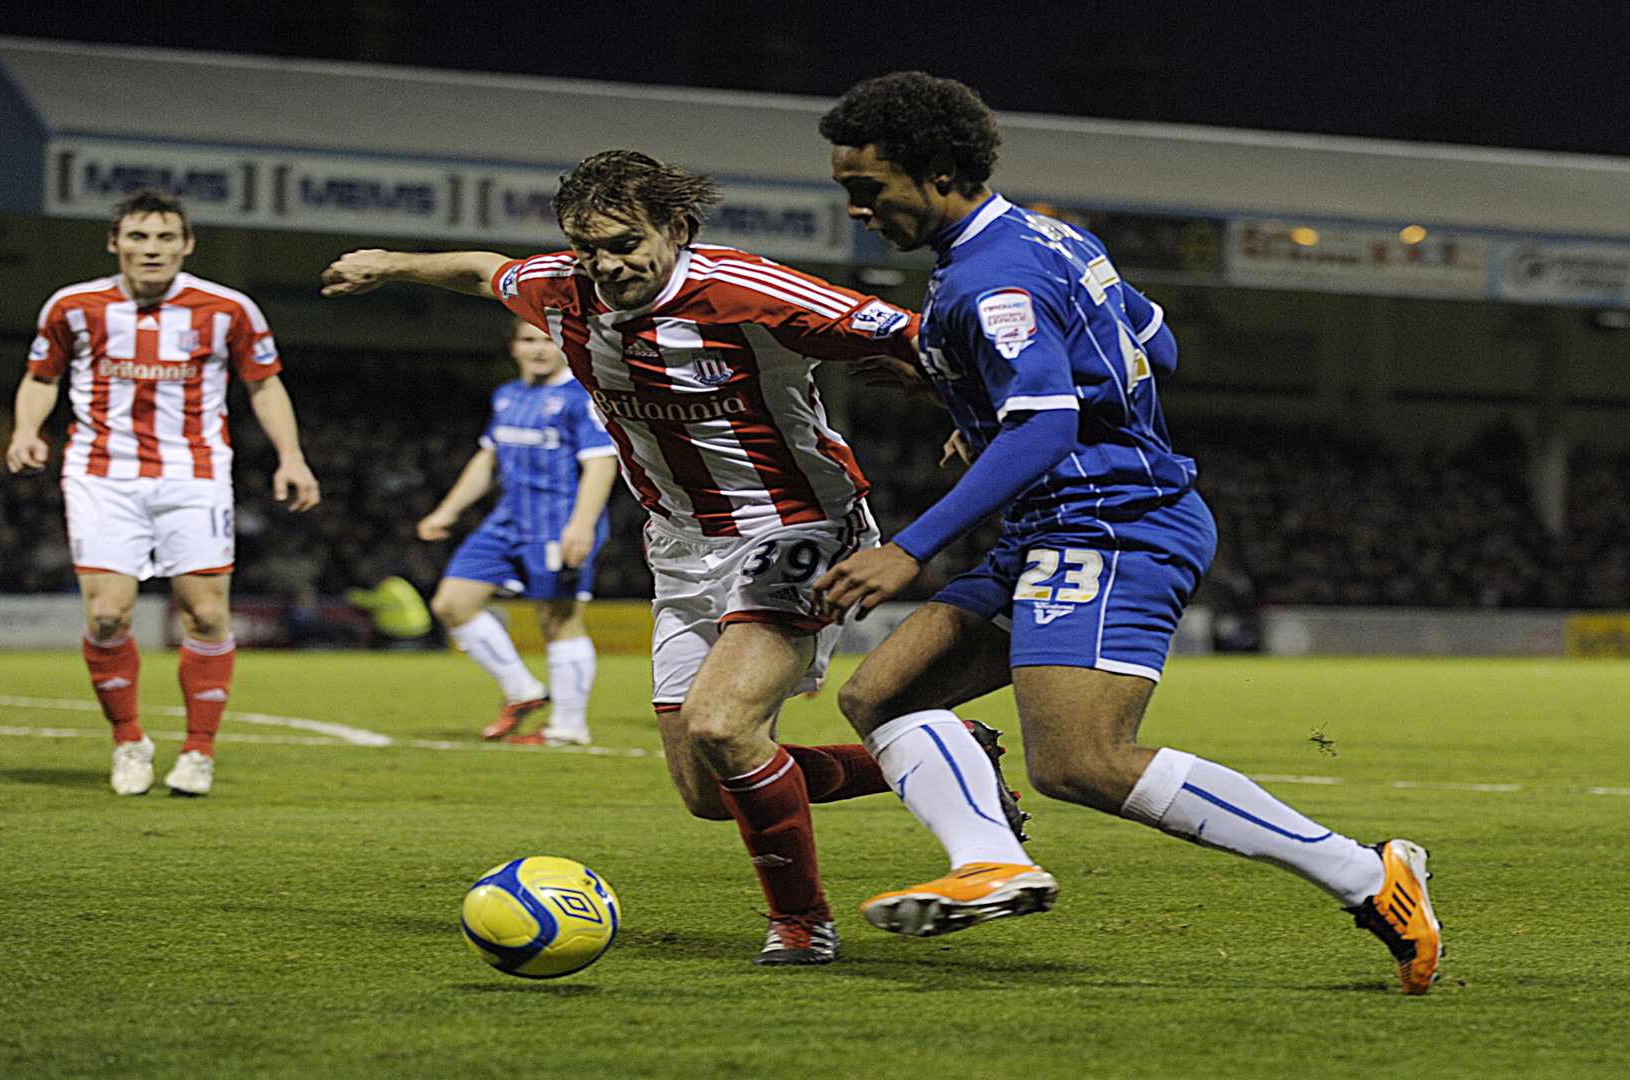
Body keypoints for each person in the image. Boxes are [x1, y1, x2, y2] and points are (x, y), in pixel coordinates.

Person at [813, 72, 1443, 995]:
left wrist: (909, 546)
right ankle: (993, 859)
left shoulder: (995, 276)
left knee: (1081, 761)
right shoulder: (1053, 237)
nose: (857, 208)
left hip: (1111, 525)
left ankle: (1367, 876)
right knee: (883, 697)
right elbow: (1162, 345)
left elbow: (1046, 427)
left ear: (938, 170)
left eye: (868, 187)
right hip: (1051, 524)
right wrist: (983, 394)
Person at [321, 150, 1022, 966]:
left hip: (797, 526)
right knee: (707, 791)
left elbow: (917, 335)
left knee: (723, 724)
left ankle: (802, 925)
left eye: (625, 244)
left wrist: (968, 411)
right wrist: (389, 263)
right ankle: (954, 754)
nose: (606, 266)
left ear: (677, 228)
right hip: (681, 546)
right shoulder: (560, 289)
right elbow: (486, 270)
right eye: (588, 249)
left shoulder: (751, 290)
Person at [7, 189, 321, 798]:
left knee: (205, 613)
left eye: (165, 238)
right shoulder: (73, 307)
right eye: (139, 238)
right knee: (106, 615)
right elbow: (40, 376)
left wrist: (291, 456)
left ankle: (199, 751)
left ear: (187, 244)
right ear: (115, 242)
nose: (152, 250)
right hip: (102, 474)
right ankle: (129, 739)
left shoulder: (229, 309)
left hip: (193, 473)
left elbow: (264, 386)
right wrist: (25, 429)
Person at [417, 317, 620, 747]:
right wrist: (447, 511)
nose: (539, 349)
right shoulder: (507, 396)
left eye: (548, 341)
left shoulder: (580, 397)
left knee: (559, 622)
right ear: (513, 348)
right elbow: (486, 459)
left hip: (558, 523)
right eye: (529, 340)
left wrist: (581, 525)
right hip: (507, 521)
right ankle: (523, 692)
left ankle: (568, 727)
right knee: (452, 604)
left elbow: (601, 462)